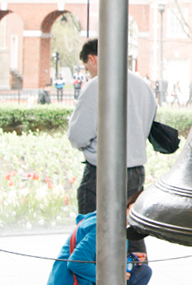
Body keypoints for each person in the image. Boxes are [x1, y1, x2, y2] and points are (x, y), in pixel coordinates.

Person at [68, 39, 157, 252]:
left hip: (102, 172)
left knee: (92, 236)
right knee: (132, 231)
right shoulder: (144, 86)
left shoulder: (96, 86)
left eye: (87, 67)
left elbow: (77, 136)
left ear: (92, 58)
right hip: (135, 170)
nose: (89, 72)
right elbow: (148, 127)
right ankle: (136, 274)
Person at [46, 190, 152, 285]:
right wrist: (112, 276)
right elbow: (76, 262)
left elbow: (100, 256)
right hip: (70, 281)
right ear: (132, 206)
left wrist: (128, 258)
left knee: (143, 271)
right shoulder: (104, 227)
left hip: (86, 278)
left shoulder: (113, 222)